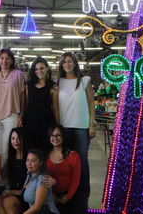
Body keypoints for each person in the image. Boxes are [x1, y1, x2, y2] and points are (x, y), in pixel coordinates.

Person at [56, 52, 96, 210]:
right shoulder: (58, 82)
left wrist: (92, 124)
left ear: (74, 63)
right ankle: (67, 196)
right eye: (64, 62)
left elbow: (91, 104)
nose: (67, 64)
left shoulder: (85, 80)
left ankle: (82, 197)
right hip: (64, 127)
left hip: (81, 127)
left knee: (82, 163)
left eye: (70, 61)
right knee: (66, 163)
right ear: (61, 65)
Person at [0, 48, 26, 167]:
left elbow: (22, 95)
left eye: (7, 58)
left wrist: (21, 114)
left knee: (6, 147)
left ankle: (5, 176)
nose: (4, 61)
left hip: (12, 114)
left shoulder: (18, 74)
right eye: (2, 58)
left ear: (11, 60)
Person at [42, 124, 81, 214]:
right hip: (48, 195)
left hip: (67, 196)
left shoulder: (73, 155)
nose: (55, 138)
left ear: (63, 136)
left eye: (58, 135)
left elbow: (76, 179)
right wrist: (52, 195)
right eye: (52, 135)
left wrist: (68, 196)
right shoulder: (45, 156)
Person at [23, 57, 58, 150]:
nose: (39, 71)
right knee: (30, 149)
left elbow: (55, 108)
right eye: (36, 69)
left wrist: (57, 125)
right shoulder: (28, 85)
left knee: (45, 150)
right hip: (30, 122)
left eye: (42, 68)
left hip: (46, 123)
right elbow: (25, 105)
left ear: (47, 68)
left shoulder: (53, 87)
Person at [0, 127, 28, 214]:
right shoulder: (11, 157)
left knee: (8, 202)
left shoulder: (29, 157)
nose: (15, 141)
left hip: (25, 195)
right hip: (12, 193)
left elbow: (32, 186)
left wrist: (13, 192)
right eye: (13, 138)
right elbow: (2, 175)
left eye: (18, 138)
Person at [20, 149, 59, 214]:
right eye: (27, 160)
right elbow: (26, 191)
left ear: (41, 163)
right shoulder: (29, 175)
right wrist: (11, 192)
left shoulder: (42, 179)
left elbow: (37, 207)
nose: (29, 163)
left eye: (33, 161)